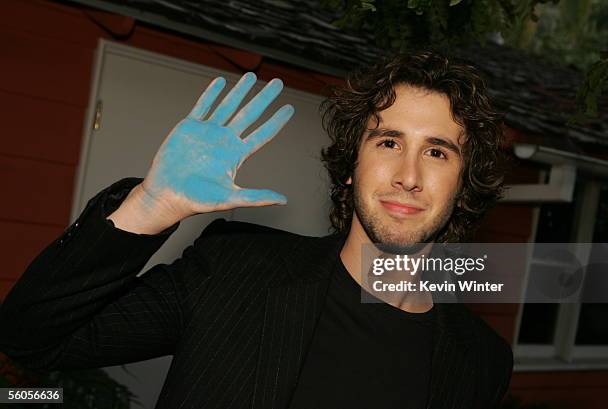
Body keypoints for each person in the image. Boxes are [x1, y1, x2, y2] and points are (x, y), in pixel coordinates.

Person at [0, 50, 513, 409]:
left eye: (438, 152)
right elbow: (30, 339)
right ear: (351, 165)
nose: (408, 175)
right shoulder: (233, 271)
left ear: (463, 184)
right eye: (387, 142)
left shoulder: (481, 362)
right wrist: (148, 207)